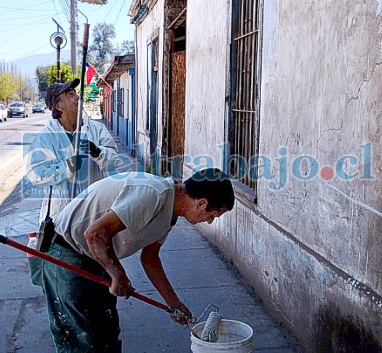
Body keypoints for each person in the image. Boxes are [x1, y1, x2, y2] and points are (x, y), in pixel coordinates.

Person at [40, 168, 235, 352]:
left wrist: (173, 302)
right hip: (67, 252)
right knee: (82, 338)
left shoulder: (171, 212)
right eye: (213, 215)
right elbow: (95, 234)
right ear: (201, 203)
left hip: (95, 256)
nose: (209, 221)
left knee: (105, 333)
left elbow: (150, 258)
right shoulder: (153, 194)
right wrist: (118, 275)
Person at [25, 78, 119, 223]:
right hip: (61, 215)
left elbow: (115, 162)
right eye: (69, 95)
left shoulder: (97, 129)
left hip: (93, 212)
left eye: (75, 93)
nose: (77, 97)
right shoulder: (45, 138)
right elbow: (35, 174)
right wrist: (67, 167)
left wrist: (97, 152)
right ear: (58, 106)